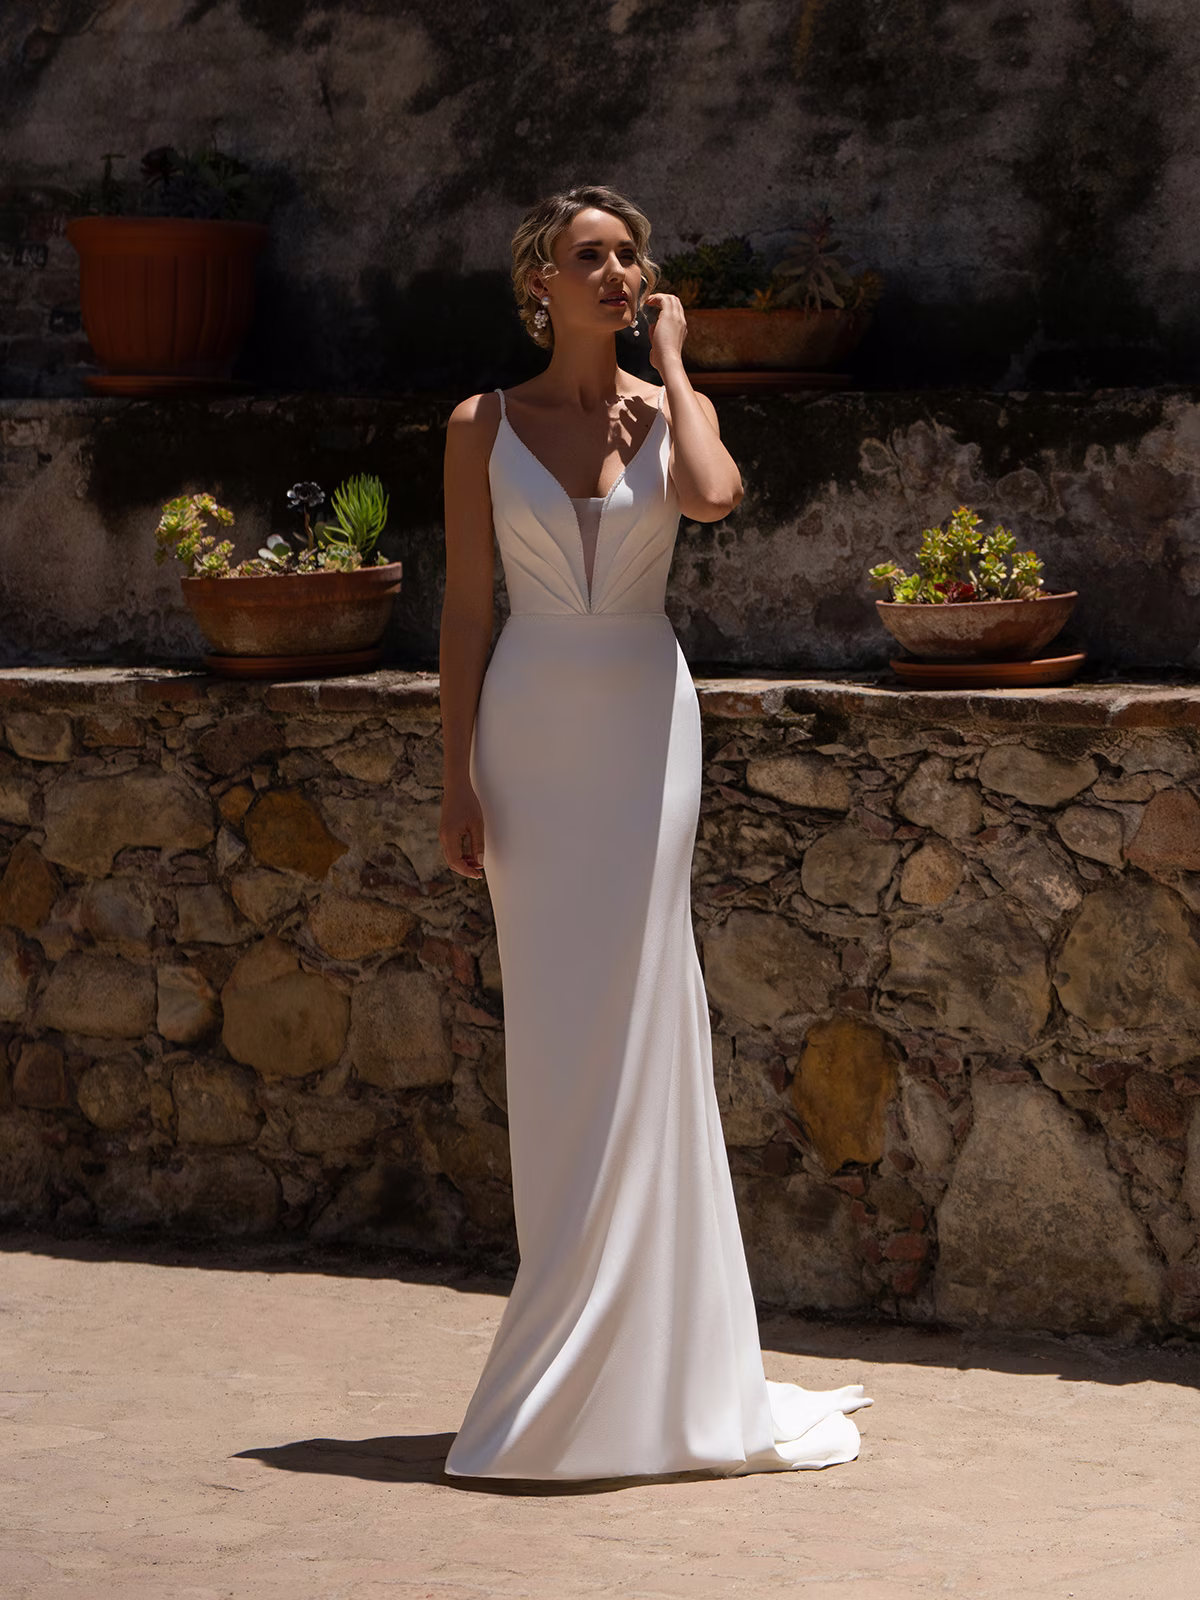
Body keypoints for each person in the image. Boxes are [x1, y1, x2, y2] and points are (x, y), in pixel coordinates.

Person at [436, 184, 872, 1481]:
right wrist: (455, 774)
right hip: (529, 734)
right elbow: (465, 610)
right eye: (592, 257)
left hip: (642, 725)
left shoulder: (673, 416)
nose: (618, 272)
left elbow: (720, 496)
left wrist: (676, 367)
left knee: (645, 1011)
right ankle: (572, 1345)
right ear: (541, 286)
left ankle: (663, 1367)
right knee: (563, 1032)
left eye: (631, 256)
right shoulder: (479, 424)